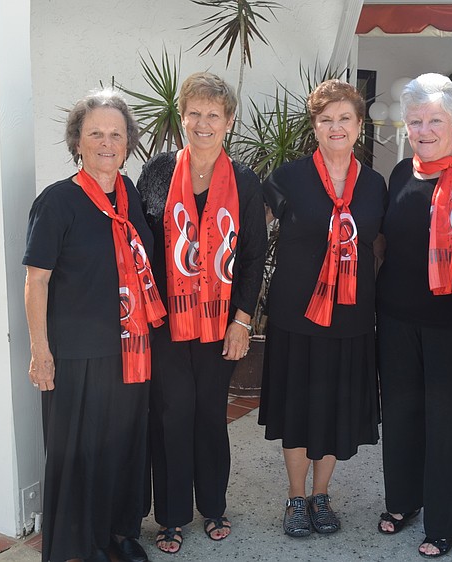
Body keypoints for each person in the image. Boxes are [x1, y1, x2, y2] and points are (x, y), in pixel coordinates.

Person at [24, 88, 166, 562]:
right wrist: (40, 351)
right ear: (77, 142)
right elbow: (36, 281)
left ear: (128, 144)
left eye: (116, 135)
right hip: (77, 354)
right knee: (79, 454)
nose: (107, 143)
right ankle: (81, 545)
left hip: (130, 348)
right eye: (96, 134)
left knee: (124, 448)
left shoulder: (130, 197)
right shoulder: (57, 201)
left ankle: (119, 533)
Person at [136, 72, 267, 555]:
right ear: (182, 117)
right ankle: (171, 516)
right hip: (165, 322)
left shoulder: (245, 181)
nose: (203, 122)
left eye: (214, 114)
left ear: (229, 121)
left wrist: (243, 321)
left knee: (210, 414)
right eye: (195, 113)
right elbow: (139, 244)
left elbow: (253, 256)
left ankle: (213, 506)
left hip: (220, 324)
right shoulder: (157, 172)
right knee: (171, 414)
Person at [374, 73, 452, 558]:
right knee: (401, 415)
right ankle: (403, 502)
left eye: (433, 121)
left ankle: (444, 522)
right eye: (415, 122)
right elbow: (385, 245)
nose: (423, 130)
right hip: (396, 320)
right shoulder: (399, 174)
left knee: (448, 426)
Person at [258, 79, 387, 538]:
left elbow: (381, 247)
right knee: (297, 408)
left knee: (334, 409)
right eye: (326, 119)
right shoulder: (287, 178)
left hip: (351, 318)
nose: (336, 127)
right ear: (314, 126)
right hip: (296, 314)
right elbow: (250, 233)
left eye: (344, 118)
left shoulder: (374, 185)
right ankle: (296, 497)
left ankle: (321, 495)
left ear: (359, 125)